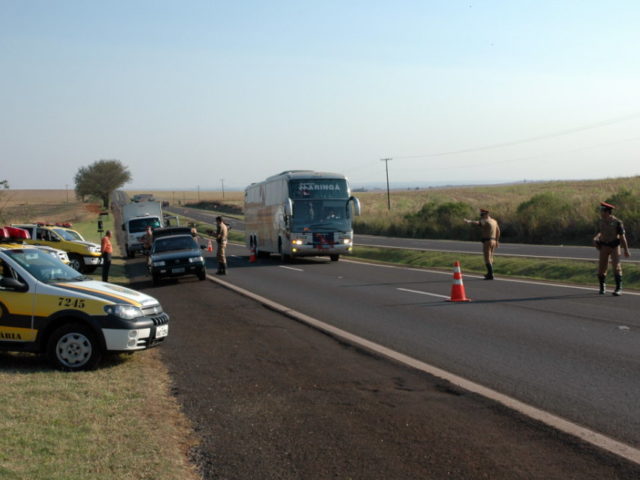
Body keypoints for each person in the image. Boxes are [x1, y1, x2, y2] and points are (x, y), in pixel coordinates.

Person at [593, 201, 630, 296]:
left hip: (614, 246)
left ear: (607, 212)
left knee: (616, 267)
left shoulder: (617, 222)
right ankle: (602, 286)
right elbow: (599, 232)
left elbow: (622, 237)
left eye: (602, 211)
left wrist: (626, 250)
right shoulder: (600, 222)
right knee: (601, 268)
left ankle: (618, 288)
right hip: (604, 246)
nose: (600, 212)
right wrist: (596, 238)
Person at [464, 208, 500, 280]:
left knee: (487, 258)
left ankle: (491, 274)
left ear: (486, 214)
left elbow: (478, 223)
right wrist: (497, 241)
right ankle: (489, 273)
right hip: (493, 241)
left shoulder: (486, 221)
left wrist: (470, 221)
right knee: (491, 257)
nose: (482, 216)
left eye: (483, 215)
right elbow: (498, 231)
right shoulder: (494, 221)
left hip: (487, 241)